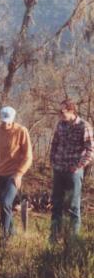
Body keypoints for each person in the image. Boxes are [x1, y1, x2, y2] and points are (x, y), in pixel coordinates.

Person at [49, 99, 94, 242]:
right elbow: (54, 143)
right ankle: (54, 237)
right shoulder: (60, 125)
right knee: (56, 204)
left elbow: (90, 149)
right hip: (59, 169)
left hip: (74, 171)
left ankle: (73, 240)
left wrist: (79, 166)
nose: (60, 115)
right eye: (59, 112)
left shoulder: (84, 126)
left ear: (71, 111)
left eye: (62, 112)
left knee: (73, 206)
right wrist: (53, 161)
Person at [0, 106, 33, 246]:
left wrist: (19, 174)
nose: (6, 123)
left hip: (13, 175)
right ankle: (12, 231)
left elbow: (28, 156)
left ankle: (3, 238)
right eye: (4, 121)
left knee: (7, 203)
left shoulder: (21, 131)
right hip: (0, 174)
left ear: (13, 119)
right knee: (3, 205)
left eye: (8, 121)